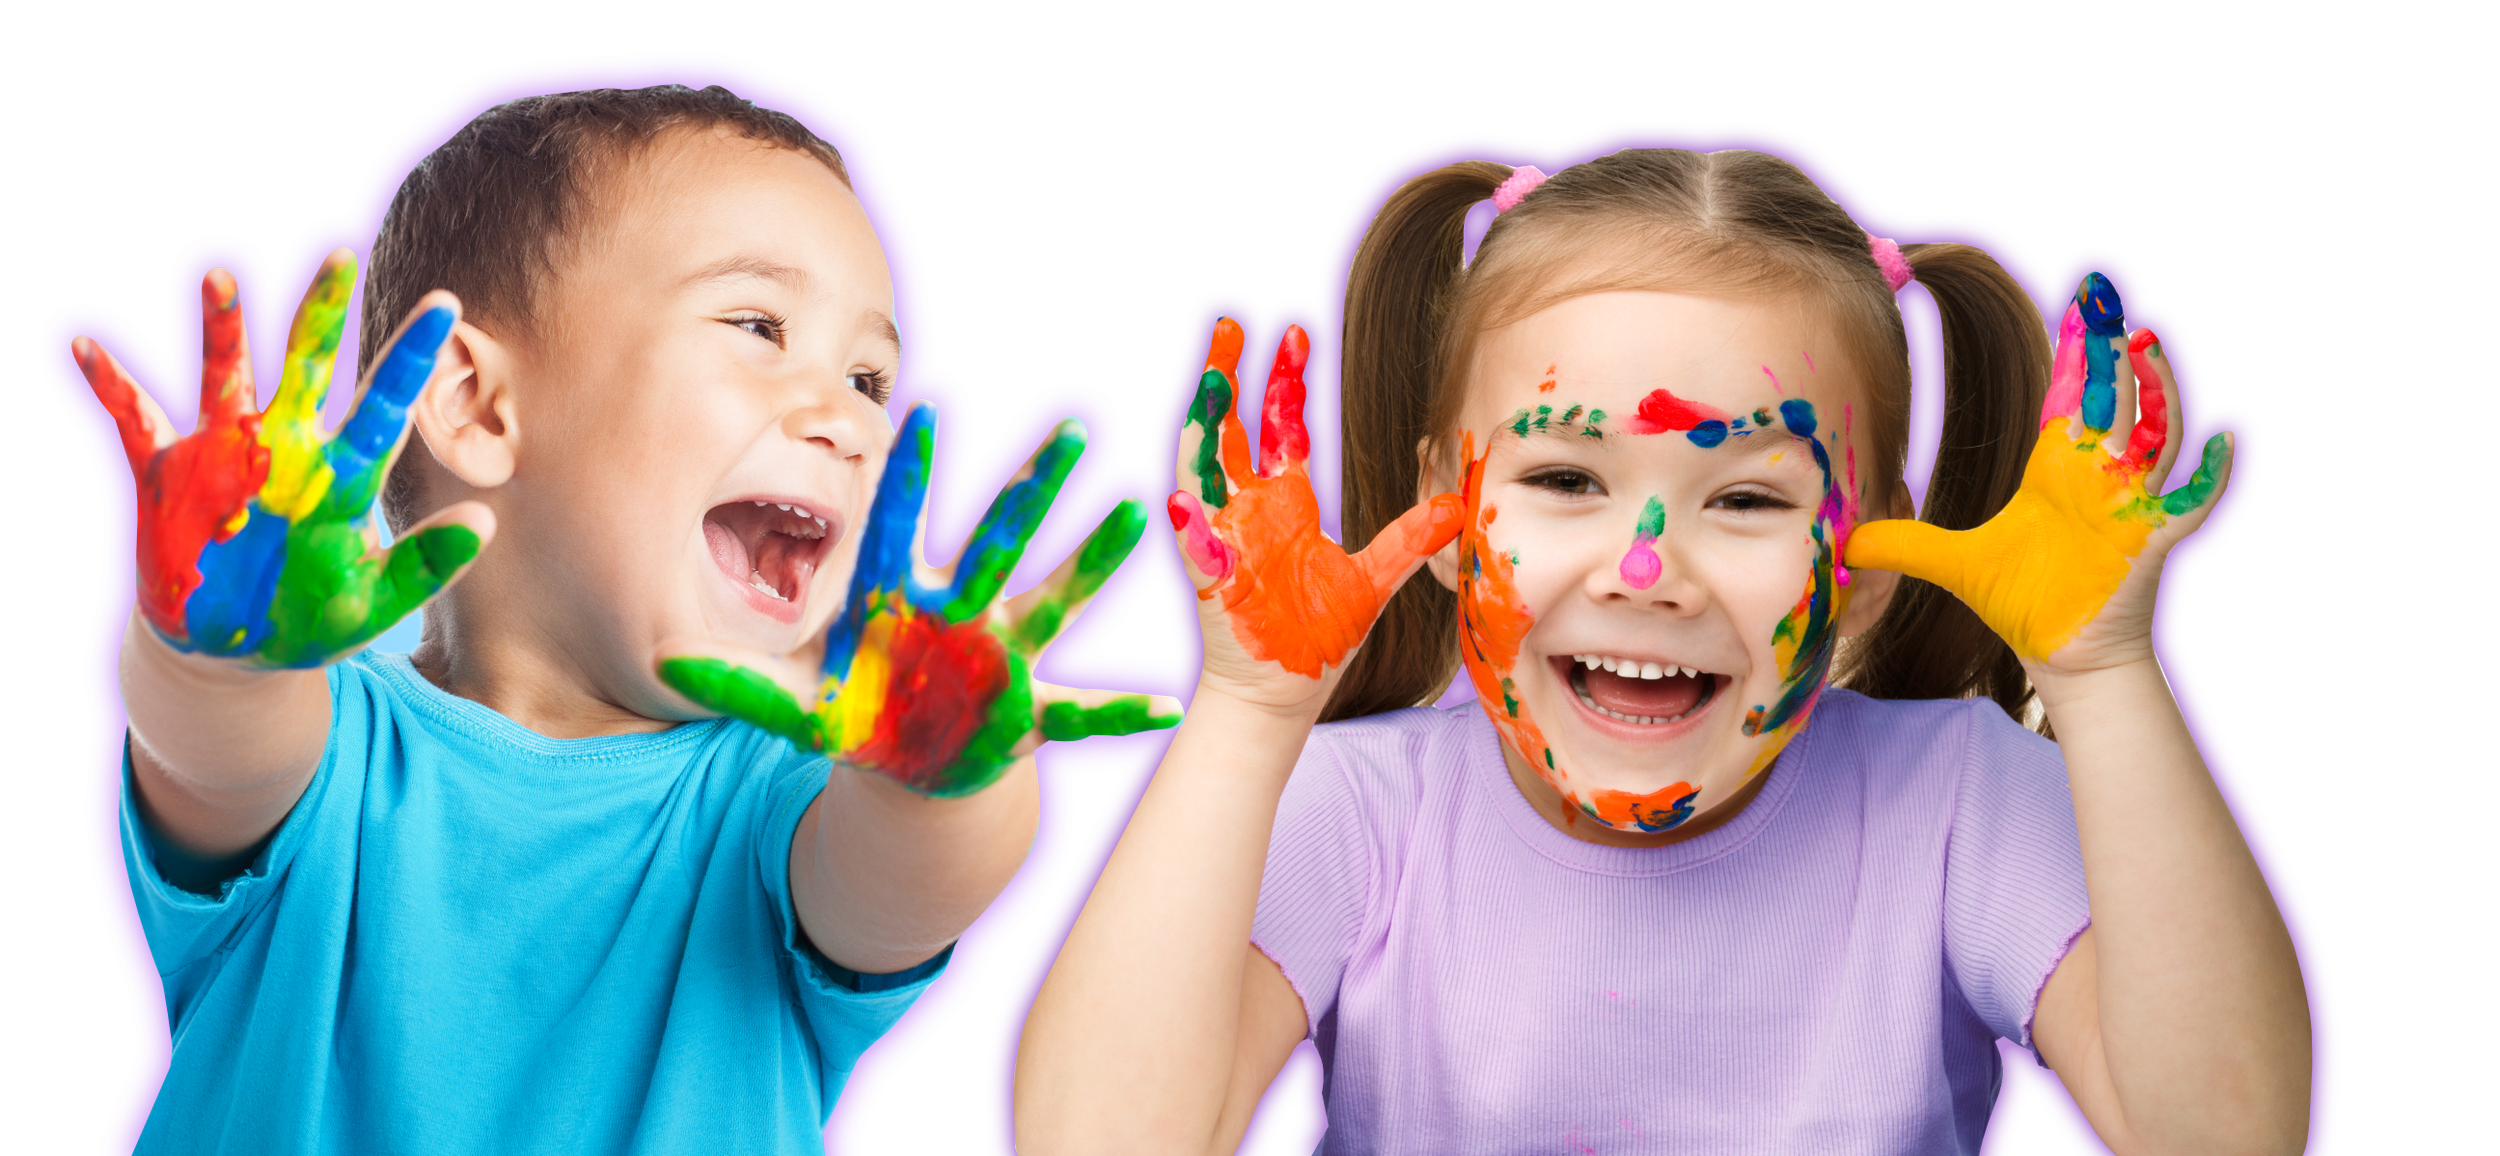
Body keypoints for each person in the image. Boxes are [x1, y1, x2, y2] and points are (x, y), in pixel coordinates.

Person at [1019, 150, 2308, 1155]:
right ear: (1450, 523)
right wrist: (1248, 715)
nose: (1647, 568)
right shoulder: (1359, 814)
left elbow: (2221, 1129)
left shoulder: (1959, 802)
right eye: (1566, 475)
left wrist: (2104, 677)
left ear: (1862, 559)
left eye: (1747, 499)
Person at [78, 84, 1175, 1154]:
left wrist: (938, 778)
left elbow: (901, 886)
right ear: (476, 404)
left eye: (869, 377)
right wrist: (221, 650)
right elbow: (216, 748)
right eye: (759, 325)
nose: (848, 419)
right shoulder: (323, 755)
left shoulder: (777, 800)